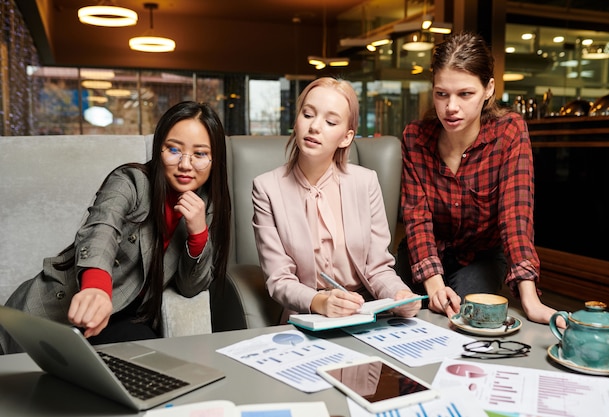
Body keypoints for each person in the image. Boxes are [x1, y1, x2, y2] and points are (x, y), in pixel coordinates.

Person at [0, 101, 231, 354]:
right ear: (159, 149)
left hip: (124, 317)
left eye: (199, 154)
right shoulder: (131, 181)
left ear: (215, 159)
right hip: (59, 309)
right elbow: (101, 229)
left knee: (153, 365)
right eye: (174, 149)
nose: (185, 164)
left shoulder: (207, 206)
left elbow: (191, 287)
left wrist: (198, 233)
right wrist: (95, 288)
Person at [397, 31, 560, 326]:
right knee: (396, 311)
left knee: (465, 318)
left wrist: (530, 300)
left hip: (481, 257)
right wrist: (434, 286)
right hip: (423, 253)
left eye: (465, 94)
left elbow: (515, 218)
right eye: (441, 94)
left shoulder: (509, 132)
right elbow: (417, 219)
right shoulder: (415, 137)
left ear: (488, 89)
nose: (451, 107)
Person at [252, 77, 421, 323]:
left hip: (366, 312)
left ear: (346, 137)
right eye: (308, 115)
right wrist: (319, 302)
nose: (315, 127)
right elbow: (279, 280)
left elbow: (377, 268)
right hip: (307, 315)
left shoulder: (366, 182)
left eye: (330, 121)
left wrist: (399, 295)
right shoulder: (266, 188)